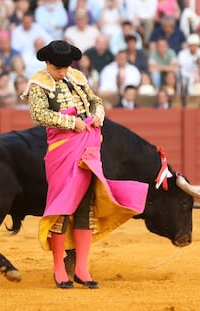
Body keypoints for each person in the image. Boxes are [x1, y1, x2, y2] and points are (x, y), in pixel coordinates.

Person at [22, 40, 147, 289]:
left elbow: (94, 100)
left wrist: (98, 114)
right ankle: (59, 268)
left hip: (88, 147)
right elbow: (38, 115)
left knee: (85, 207)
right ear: (47, 63)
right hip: (62, 149)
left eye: (66, 67)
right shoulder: (39, 82)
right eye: (58, 68)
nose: (62, 72)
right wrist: (71, 123)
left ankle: (81, 268)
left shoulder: (76, 76)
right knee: (63, 207)